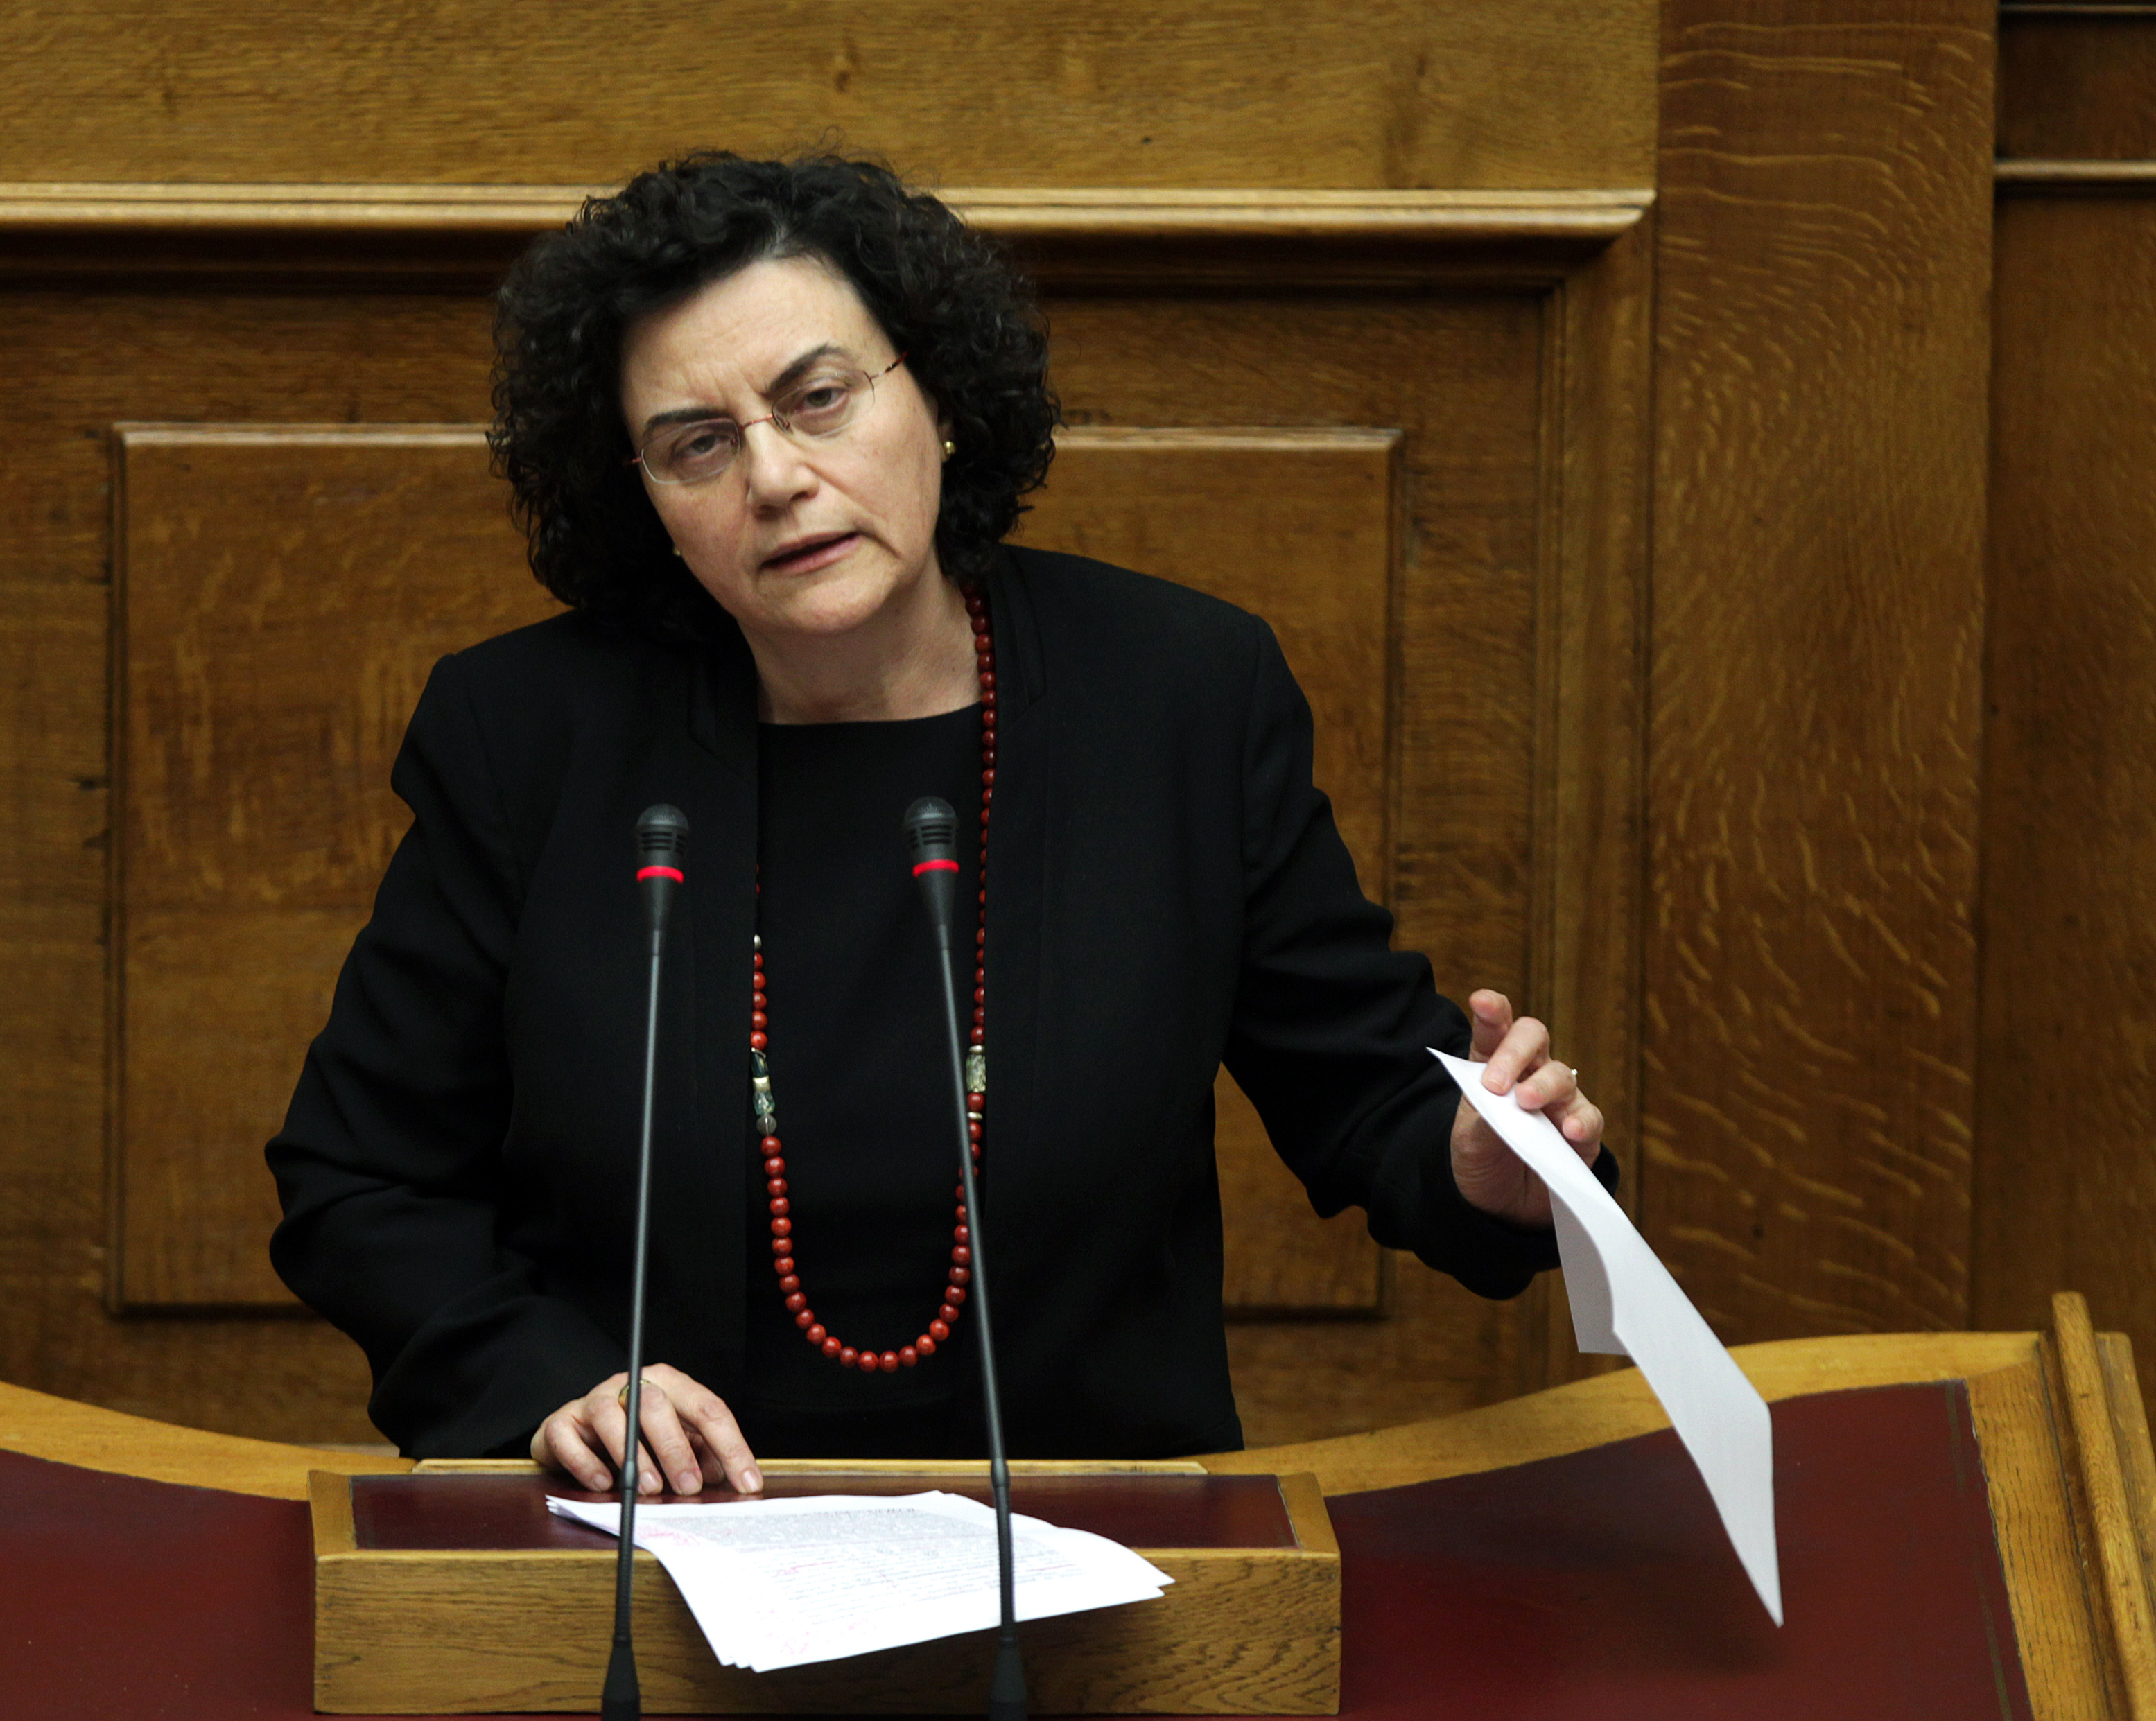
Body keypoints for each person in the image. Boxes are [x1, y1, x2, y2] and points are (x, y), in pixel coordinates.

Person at [266, 151, 1612, 1497]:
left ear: (941, 396)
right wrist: (551, 1381)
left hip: (1088, 1543)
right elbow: (360, 1176)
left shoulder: (1175, 696)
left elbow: (1367, 1088)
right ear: (645, 502)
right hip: (661, 1545)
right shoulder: (529, 737)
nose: (776, 476)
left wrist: (1480, 1162)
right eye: (697, 444)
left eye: (819, 398)